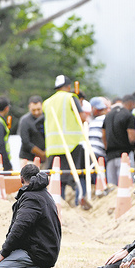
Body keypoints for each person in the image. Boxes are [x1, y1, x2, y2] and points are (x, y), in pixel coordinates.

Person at [0, 164, 61, 268]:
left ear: (21, 178)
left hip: (38, 252)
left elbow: (19, 227)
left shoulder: (31, 197)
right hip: (43, 250)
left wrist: (4, 253)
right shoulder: (45, 194)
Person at [42, 75, 89, 209]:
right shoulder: (70, 97)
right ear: (68, 87)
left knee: (58, 178)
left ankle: (59, 203)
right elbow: (82, 117)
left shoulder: (47, 102)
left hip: (53, 146)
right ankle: (80, 200)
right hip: (71, 144)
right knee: (79, 174)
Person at [102, 94, 135, 185]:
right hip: (125, 156)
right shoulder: (129, 115)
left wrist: (107, 149)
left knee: (112, 187)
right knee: (127, 186)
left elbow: (103, 136)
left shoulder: (107, 116)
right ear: (131, 103)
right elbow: (132, 138)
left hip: (110, 157)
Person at [18, 96, 46, 165]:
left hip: (44, 160)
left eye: (38, 109)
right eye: (33, 110)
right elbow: (25, 142)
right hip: (28, 159)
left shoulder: (47, 118)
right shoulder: (25, 121)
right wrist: (41, 154)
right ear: (29, 108)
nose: (36, 112)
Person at [88, 96, 109, 161]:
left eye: (101, 109)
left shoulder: (93, 122)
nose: (100, 112)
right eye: (99, 110)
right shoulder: (90, 122)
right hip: (100, 155)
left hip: (90, 154)